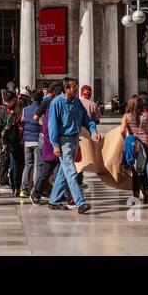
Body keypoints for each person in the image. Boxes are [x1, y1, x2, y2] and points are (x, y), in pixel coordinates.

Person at [46, 76, 101, 214]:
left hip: (75, 139)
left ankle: (53, 200)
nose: (76, 89)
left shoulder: (76, 102)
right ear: (66, 89)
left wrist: (93, 131)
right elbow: (52, 125)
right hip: (63, 141)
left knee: (63, 173)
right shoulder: (56, 103)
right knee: (70, 172)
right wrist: (55, 145)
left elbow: (86, 119)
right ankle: (80, 202)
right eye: (74, 87)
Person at [119, 95, 148, 201]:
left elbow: (121, 130)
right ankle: (146, 194)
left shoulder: (126, 116)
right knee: (142, 170)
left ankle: (136, 195)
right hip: (145, 146)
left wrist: (126, 138)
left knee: (135, 172)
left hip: (133, 146)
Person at [20, 91, 44, 198]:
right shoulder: (41, 110)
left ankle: (24, 188)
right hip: (37, 140)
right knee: (37, 166)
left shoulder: (25, 109)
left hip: (27, 140)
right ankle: (35, 188)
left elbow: (22, 121)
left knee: (28, 165)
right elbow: (42, 124)